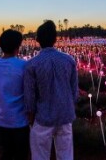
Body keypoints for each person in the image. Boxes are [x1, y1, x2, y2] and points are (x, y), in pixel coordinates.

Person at [24, 20, 79, 160]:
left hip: (43, 117)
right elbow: (74, 91)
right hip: (65, 115)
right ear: (55, 39)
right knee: (66, 155)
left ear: (37, 40)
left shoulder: (32, 64)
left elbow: (29, 96)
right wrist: (69, 106)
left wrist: (30, 116)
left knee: (40, 155)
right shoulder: (69, 60)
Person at [0, 29, 29, 160]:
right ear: (18, 46)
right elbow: (28, 92)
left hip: (2, 118)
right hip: (20, 121)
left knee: (7, 152)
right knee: (21, 154)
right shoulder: (23, 65)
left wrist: (2, 102)